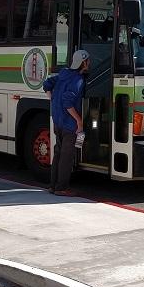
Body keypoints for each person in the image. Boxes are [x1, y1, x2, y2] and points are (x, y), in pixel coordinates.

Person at [43, 49, 90, 196]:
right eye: (88, 60)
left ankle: (52, 185)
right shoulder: (77, 80)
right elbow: (67, 102)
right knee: (66, 157)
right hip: (70, 125)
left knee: (58, 154)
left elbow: (47, 83)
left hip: (58, 121)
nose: (89, 63)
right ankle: (61, 188)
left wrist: (51, 97)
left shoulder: (63, 73)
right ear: (83, 63)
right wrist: (79, 121)